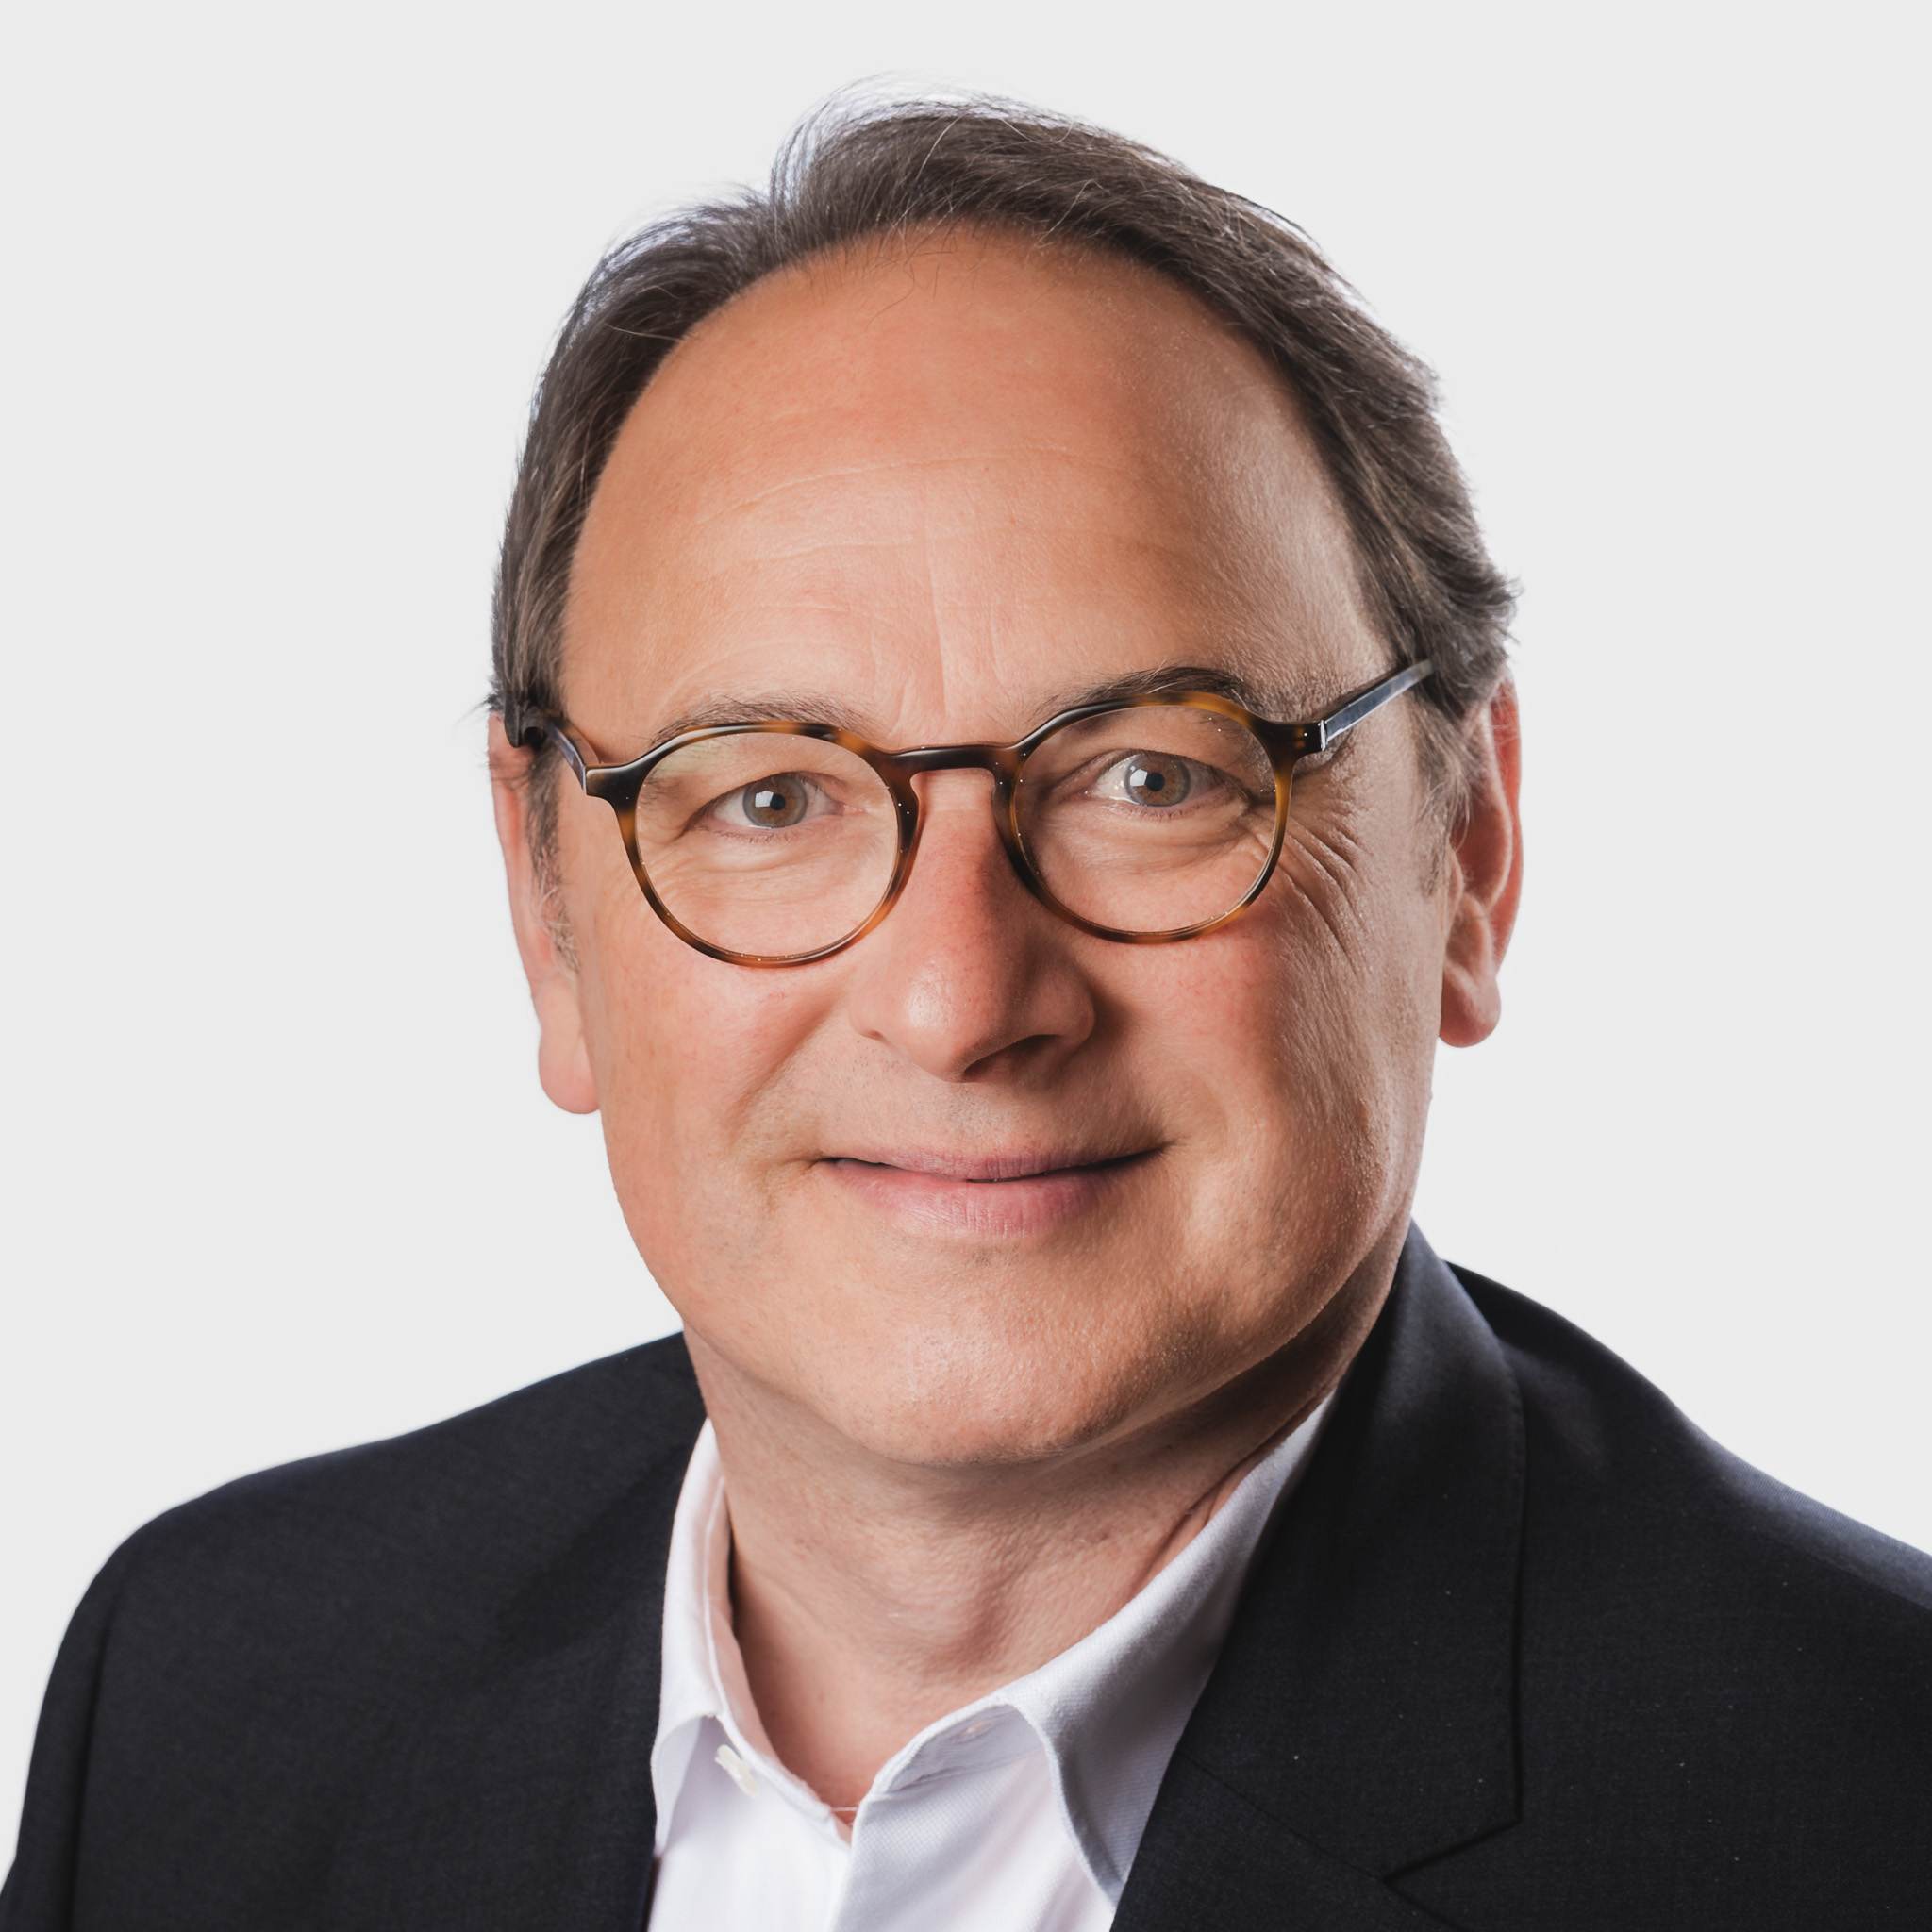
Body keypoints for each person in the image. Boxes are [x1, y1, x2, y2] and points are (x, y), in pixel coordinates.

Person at [5, 93, 1928, 1932]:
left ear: (1470, 849)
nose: (957, 1001)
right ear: (545, 909)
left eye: (1153, 776)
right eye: (768, 799)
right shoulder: (207, 1691)